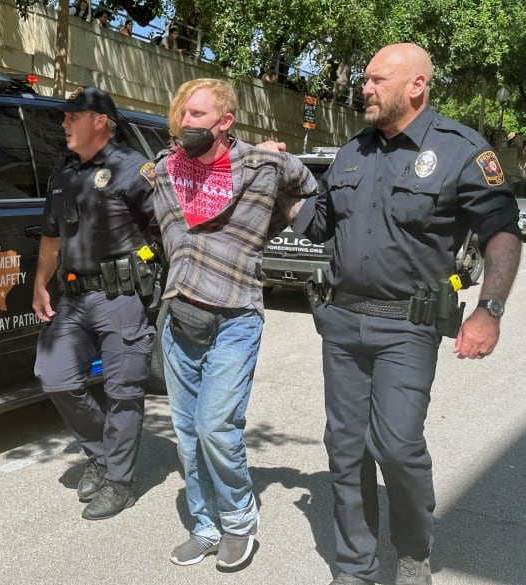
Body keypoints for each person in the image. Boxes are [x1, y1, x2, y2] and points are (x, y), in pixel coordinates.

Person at [291, 43, 522, 585]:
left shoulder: (461, 150)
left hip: (408, 327)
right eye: (365, 79)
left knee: (395, 444)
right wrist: (279, 184)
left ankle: (413, 549)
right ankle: (356, 566)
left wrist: (489, 310)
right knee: (345, 448)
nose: (363, 88)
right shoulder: (352, 152)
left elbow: (502, 233)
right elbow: (321, 223)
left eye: (376, 79)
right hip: (342, 323)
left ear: (416, 86)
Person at [151, 78, 318, 569]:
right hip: (180, 314)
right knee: (185, 432)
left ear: (225, 123)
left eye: (198, 116)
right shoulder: (162, 171)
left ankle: (239, 522)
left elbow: (308, 187)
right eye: (182, 114)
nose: (186, 123)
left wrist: (263, 232)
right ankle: (204, 526)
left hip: (236, 316)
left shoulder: (263, 164)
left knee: (215, 427)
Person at [32, 86, 157, 521]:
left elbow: (170, 231)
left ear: (99, 121)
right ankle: (103, 456)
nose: (64, 123)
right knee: (54, 376)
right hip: (73, 294)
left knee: (123, 392)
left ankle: (119, 483)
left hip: (122, 296)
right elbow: (51, 235)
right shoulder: (64, 173)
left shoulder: (134, 170)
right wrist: (40, 284)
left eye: (73, 116)